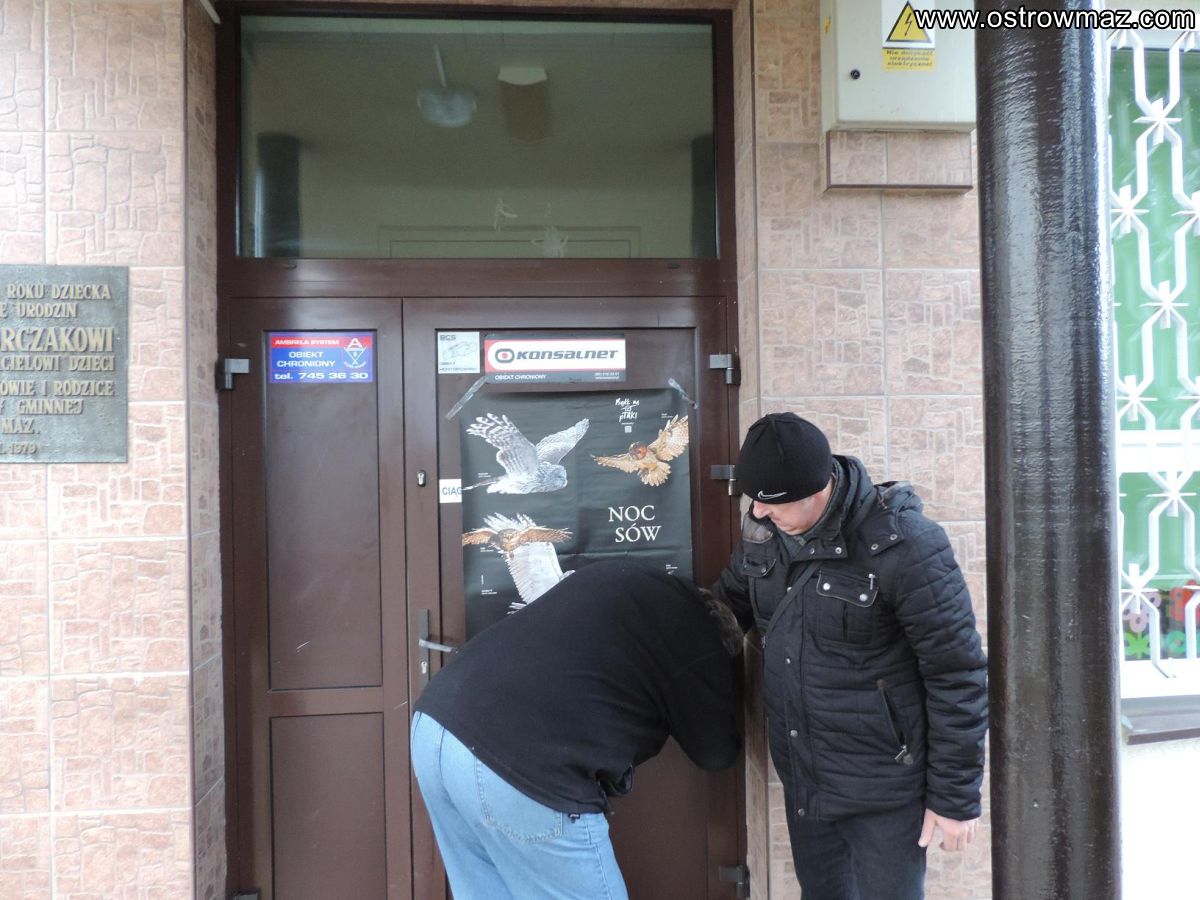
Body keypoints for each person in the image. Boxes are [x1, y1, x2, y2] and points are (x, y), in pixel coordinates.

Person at [712, 412, 988, 900]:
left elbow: (957, 674)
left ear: (815, 490)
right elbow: (724, 613)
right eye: (753, 499)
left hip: (885, 792)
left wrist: (955, 797)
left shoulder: (905, 545)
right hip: (806, 781)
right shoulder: (764, 537)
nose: (757, 512)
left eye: (770, 501)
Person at [411, 559, 743, 900]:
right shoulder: (698, 637)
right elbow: (715, 752)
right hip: (518, 760)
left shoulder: (630, 580)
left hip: (435, 725)